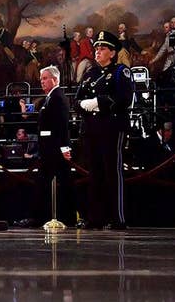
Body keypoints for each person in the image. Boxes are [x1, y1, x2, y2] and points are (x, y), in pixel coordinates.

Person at [75, 30, 134, 230]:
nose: (98, 51)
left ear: (112, 52)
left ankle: (118, 218)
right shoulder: (90, 73)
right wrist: (84, 104)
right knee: (95, 173)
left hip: (112, 127)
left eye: (102, 48)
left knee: (112, 172)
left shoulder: (120, 72)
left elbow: (124, 100)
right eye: (97, 48)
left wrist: (98, 102)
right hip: (92, 129)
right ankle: (95, 217)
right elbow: (77, 99)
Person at [15, 66, 72, 228]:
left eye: (45, 78)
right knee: (49, 183)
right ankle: (48, 217)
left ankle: (39, 218)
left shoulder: (58, 97)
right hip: (48, 148)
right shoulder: (49, 98)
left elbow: (62, 125)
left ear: (55, 79)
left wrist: (64, 148)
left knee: (47, 183)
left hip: (54, 149)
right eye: (41, 79)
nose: (42, 81)